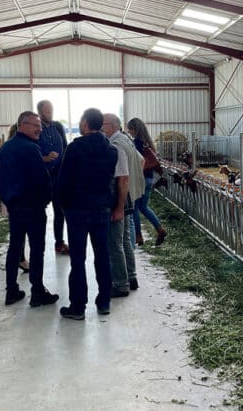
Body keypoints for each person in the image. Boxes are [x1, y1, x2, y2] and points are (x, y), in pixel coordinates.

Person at [56, 108, 118, 320]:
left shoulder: (75, 149)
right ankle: (104, 302)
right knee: (102, 255)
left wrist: (63, 205)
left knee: (78, 259)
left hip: (77, 210)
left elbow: (64, 181)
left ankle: (78, 306)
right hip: (101, 208)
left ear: (84, 123)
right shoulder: (111, 151)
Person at [0, 111, 58, 307]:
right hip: (32, 207)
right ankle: (37, 291)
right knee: (37, 249)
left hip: (14, 207)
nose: (39, 129)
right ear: (22, 125)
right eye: (36, 125)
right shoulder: (31, 148)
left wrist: (7, 200)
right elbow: (42, 179)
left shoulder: (5, 148)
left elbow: (3, 179)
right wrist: (46, 199)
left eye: (39, 125)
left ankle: (11, 290)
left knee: (14, 247)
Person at [102, 113, 145, 297]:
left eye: (102, 125)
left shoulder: (115, 145)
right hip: (129, 195)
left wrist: (119, 203)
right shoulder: (126, 140)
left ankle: (120, 284)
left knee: (115, 242)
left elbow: (122, 176)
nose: (100, 128)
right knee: (126, 238)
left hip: (120, 197)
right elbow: (141, 161)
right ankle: (131, 276)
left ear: (111, 126)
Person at [36, 100, 70, 255]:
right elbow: (30, 151)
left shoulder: (58, 127)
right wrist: (43, 158)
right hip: (41, 177)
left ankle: (59, 242)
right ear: (40, 112)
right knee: (37, 212)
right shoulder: (36, 129)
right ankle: (37, 245)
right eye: (48, 111)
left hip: (59, 176)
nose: (51, 114)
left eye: (52, 110)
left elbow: (65, 146)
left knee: (60, 211)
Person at [126, 117, 167, 246]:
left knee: (135, 208)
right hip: (149, 178)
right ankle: (160, 229)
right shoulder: (147, 142)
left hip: (140, 178)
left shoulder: (136, 143)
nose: (129, 131)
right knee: (143, 207)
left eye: (131, 129)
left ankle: (138, 236)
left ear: (135, 129)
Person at [6, 123, 30, 273]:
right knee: (21, 232)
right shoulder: (24, 148)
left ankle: (17, 261)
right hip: (22, 196)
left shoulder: (6, 148)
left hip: (10, 196)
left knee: (16, 231)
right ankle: (20, 259)